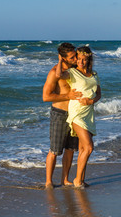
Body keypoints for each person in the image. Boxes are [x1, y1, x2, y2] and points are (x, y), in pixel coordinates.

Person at [56, 46, 101, 188]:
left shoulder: (94, 74)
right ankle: (77, 180)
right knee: (89, 148)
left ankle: (80, 178)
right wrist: (59, 60)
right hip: (77, 114)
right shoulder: (72, 72)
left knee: (83, 149)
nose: (81, 61)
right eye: (79, 59)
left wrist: (91, 101)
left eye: (84, 59)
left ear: (88, 60)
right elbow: (58, 75)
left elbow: (99, 93)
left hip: (89, 113)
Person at [42, 43, 82, 189]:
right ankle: (48, 181)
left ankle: (65, 179)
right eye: (72, 57)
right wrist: (68, 96)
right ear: (62, 59)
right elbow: (46, 97)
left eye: (75, 55)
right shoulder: (54, 73)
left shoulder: (75, 70)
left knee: (71, 149)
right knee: (54, 150)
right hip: (59, 114)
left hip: (75, 114)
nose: (75, 59)